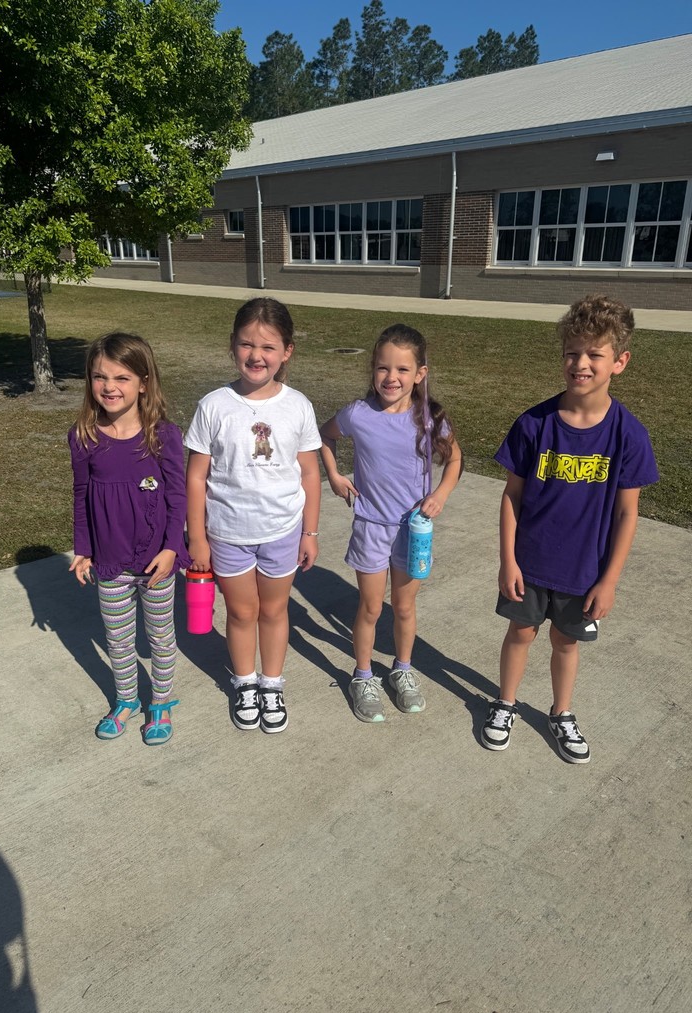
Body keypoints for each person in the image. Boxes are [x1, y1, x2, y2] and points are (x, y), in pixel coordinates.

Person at [484, 295, 659, 763]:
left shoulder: (628, 434)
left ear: (619, 362)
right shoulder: (534, 424)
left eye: (594, 354)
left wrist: (609, 580)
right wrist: (509, 560)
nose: (580, 363)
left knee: (565, 642)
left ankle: (561, 713)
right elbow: (512, 496)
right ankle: (505, 703)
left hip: (583, 570)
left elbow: (627, 513)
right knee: (520, 634)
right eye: (571, 352)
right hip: (530, 562)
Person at [185, 298, 321, 734]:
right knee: (242, 613)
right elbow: (195, 476)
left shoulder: (298, 405)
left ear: (287, 352)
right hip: (227, 532)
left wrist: (310, 532)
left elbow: (309, 472)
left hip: (283, 530)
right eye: (246, 345)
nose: (256, 355)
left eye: (267, 346)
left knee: (274, 611)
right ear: (232, 346)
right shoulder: (214, 405)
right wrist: (198, 538)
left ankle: (272, 683)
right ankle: (245, 682)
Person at [320, 323, 462, 723]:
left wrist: (440, 494)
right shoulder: (357, 414)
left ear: (420, 374)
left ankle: (402, 669)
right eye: (383, 368)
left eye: (402, 370)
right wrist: (334, 475)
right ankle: (362, 676)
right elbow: (324, 437)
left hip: (413, 529)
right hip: (371, 526)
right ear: (373, 369)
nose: (391, 378)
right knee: (369, 606)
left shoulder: (429, 418)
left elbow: (453, 459)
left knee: (403, 605)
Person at [68, 332, 190, 746]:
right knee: (118, 639)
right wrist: (83, 549)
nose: (109, 387)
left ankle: (160, 702)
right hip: (110, 562)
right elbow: (80, 494)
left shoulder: (164, 436)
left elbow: (178, 497)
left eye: (121, 377)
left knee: (159, 636)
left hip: (157, 562)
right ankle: (126, 700)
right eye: (99, 376)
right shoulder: (83, 435)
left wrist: (173, 548)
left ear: (143, 382)